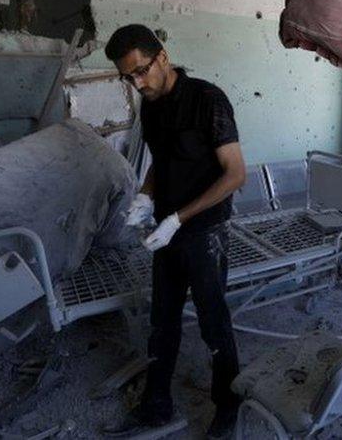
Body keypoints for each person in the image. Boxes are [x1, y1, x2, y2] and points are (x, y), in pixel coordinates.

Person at [102, 24, 246, 439]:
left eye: (141, 71)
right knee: (162, 320)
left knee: (213, 322)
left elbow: (236, 175)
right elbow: (161, 163)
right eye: (127, 77)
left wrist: (178, 219)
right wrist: (145, 197)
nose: (137, 83)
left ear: (162, 57)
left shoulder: (207, 100)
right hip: (167, 228)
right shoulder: (150, 105)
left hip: (204, 229)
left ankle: (227, 405)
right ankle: (156, 404)